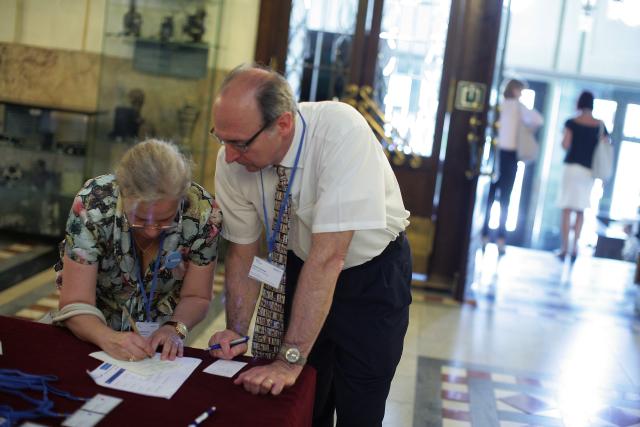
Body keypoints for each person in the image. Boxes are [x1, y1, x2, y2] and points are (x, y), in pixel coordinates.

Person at [208, 64, 412, 426]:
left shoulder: (340, 132)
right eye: (221, 139)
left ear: (283, 124)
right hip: (301, 267)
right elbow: (243, 250)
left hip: (369, 275)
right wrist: (238, 332)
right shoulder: (233, 159)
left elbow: (330, 255)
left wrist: (289, 358)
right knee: (304, 400)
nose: (229, 156)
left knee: (359, 405)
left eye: (239, 143)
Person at [54, 139, 222, 362]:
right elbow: (75, 300)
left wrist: (175, 328)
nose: (152, 232)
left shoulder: (203, 215)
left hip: (157, 350)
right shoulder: (94, 203)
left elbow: (197, 296)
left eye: (164, 220)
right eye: (140, 219)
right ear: (122, 194)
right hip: (90, 334)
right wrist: (106, 337)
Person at [482, 78, 543, 255]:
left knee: (491, 197)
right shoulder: (518, 107)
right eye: (520, 90)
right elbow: (538, 119)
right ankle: (501, 239)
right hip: (510, 155)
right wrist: (528, 129)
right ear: (515, 90)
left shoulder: (500, 106)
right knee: (506, 199)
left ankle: (485, 235)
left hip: (496, 152)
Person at [557, 90, 609, 262]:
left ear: (579, 102)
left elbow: (565, 144)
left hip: (571, 168)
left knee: (566, 208)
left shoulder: (571, 122)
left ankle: (564, 248)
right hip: (588, 171)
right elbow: (605, 146)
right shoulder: (599, 124)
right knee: (581, 209)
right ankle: (574, 248)